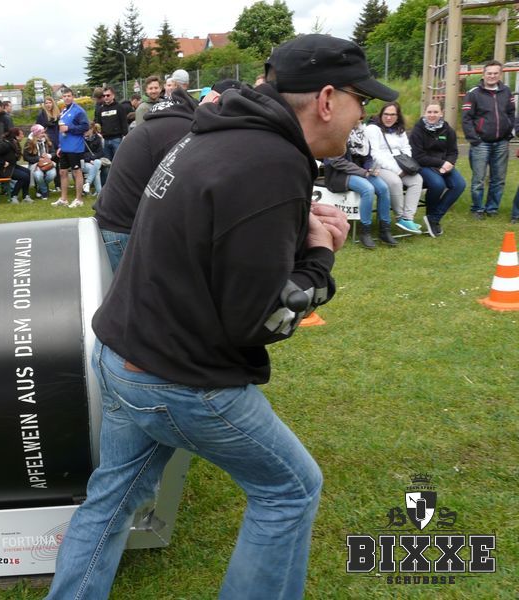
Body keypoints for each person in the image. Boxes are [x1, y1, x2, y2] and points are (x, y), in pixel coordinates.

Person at [45, 33, 393, 599]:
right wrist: (320, 258)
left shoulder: (214, 131)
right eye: (363, 101)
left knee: (111, 497)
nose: (363, 117)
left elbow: (215, 236)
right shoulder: (274, 161)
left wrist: (292, 227)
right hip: (177, 378)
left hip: (120, 351)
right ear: (328, 99)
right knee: (290, 490)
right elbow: (260, 318)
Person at [93, 85, 201, 270]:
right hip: (123, 227)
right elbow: (179, 188)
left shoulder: (160, 125)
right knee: (133, 288)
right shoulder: (182, 131)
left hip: (114, 221)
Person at [324, 122, 397, 248]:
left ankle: (385, 230)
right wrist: (363, 172)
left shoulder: (362, 133)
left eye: (360, 117)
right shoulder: (336, 134)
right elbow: (337, 162)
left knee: (383, 188)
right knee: (368, 189)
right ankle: (365, 232)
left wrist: (370, 169)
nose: (358, 119)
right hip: (339, 175)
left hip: (361, 172)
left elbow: (368, 158)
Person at [462, 60, 514, 219]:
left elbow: (511, 113)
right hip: (481, 142)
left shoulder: (506, 91)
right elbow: (466, 119)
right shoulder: (473, 93)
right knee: (478, 179)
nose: (492, 76)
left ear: (500, 74)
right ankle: (477, 209)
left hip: (502, 142)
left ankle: (492, 209)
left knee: (498, 179)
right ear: (483, 74)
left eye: (495, 73)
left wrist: (509, 134)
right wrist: (474, 139)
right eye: (489, 73)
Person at [365, 102, 424, 234]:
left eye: (392, 115)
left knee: (417, 179)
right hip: (379, 167)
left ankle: (408, 218)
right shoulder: (373, 129)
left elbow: (406, 148)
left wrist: (406, 165)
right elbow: (375, 155)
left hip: (400, 165)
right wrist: (397, 171)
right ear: (381, 115)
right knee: (395, 182)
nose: (389, 118)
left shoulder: (399, 130)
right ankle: (400, 217)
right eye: (386, 114)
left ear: (397, 117)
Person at [409, 102, 466, 237]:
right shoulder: (417, 130)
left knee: (459, 184)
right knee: (437, 184)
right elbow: (418, 156)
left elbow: (453, 151)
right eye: (429, 112)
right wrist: (441, 163)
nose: (432, 115)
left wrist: (449, 163)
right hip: (424, 165)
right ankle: (431, 216)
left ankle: (434, 218)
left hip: (444, 165)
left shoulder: (448, 130)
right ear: (425, 113)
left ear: (441, 113)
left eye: (435, 112)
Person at [52, 86, 89, 209]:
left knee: (76, 172)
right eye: (64, 96)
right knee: (62, 172)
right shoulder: (63, 110)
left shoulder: (78, 111)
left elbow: (85, 127)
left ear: (73, 97)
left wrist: (69, 128)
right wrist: (60, 146)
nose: (67, 98)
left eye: (69, 96)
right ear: (62, 97)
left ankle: (79, 199)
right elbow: (61, 129)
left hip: (75, 147)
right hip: (64, 147)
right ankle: (64, 199)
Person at [0, 127, 31, 204]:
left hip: (11, 166)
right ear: (16, 136)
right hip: (1, 169)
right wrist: (3, 162)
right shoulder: (5, 144)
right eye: (22, 134)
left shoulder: (14, 143)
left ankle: (25, 196)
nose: (23, 136)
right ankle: (13, 196)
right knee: (24, 176)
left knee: (27, 171)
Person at [23, 123, 57, 200]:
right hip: (35, 164)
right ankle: (44, 191)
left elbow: (53, 152)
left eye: (44, 132)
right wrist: (38, 159)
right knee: (38, 175)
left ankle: (39, 188)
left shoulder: (46, 140)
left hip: (47, 163)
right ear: (36, 133)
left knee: (52, 174)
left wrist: (49, 155)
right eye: (41, 133)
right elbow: (26, 157)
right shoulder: (29, 142)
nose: (43, 134)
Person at [94, 86, 127, 161]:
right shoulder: (101, 109)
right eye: (104, 96)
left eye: (108, 95)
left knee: (118, 161)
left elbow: (124, 122)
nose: (106, 97)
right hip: (105, 140)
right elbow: (98, 123)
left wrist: (125, 135)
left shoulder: (119, 107)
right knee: (107, 162)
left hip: (117, 139)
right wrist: (98, 133)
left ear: (113, 95)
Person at [82, 122, 103, 196]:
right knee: (95, 169)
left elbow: (100, 153)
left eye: (86, 130)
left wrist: (92, 159)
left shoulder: (97, 138)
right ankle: (99, 192)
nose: (84, 132)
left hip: (94, 161)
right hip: (84, 162)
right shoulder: (81, 139)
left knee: (97, 163)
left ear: (91, 129)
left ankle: (87, 183)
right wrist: (89, 160)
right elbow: (81, 154)